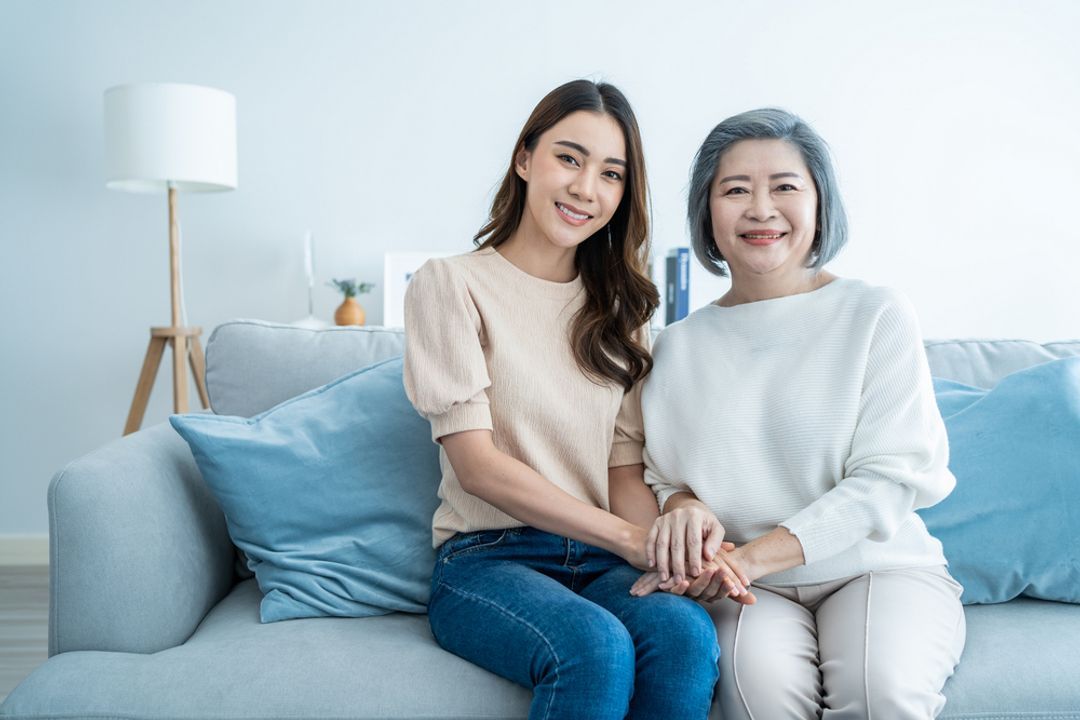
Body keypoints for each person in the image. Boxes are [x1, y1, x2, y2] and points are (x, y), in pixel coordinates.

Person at [403, 79, 722, 720]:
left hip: (598, 562)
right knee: (594, 644)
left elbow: (621, 469)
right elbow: (478, 466)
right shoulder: (451, 284)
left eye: (611, 174)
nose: (586, 189)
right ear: (525, 159)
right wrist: (630, 538)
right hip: (488, 561)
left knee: (685, 632)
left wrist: (665, 550)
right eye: (569, 159)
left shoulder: (623, 311)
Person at [632, 108, 966, 719]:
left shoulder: (875, 313)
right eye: (736, 190)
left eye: (785, 187)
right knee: (758, 699)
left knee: (880, 692)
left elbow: (890, 478)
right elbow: (663, 475)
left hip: (876, 572)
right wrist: (682, 508)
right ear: (708, 212)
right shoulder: (673, 345)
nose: (761, 209)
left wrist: (749, 559)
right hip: (749, 592)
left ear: (819, 204)